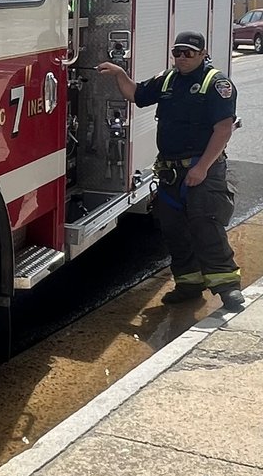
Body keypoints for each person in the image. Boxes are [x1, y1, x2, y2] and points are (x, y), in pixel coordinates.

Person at [97, 31, 244, 310]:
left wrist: (201, 168)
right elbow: (136, 94)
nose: (181, 58)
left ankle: (228, 288)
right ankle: (189, 284)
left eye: (188, 53)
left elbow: (223, 129)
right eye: (177, 52)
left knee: (207, 227)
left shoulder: (216, 84)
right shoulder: (167, 80)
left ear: (202, 54)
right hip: (170, 172)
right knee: (175, 230)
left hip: (202, 170)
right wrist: (119, 73)